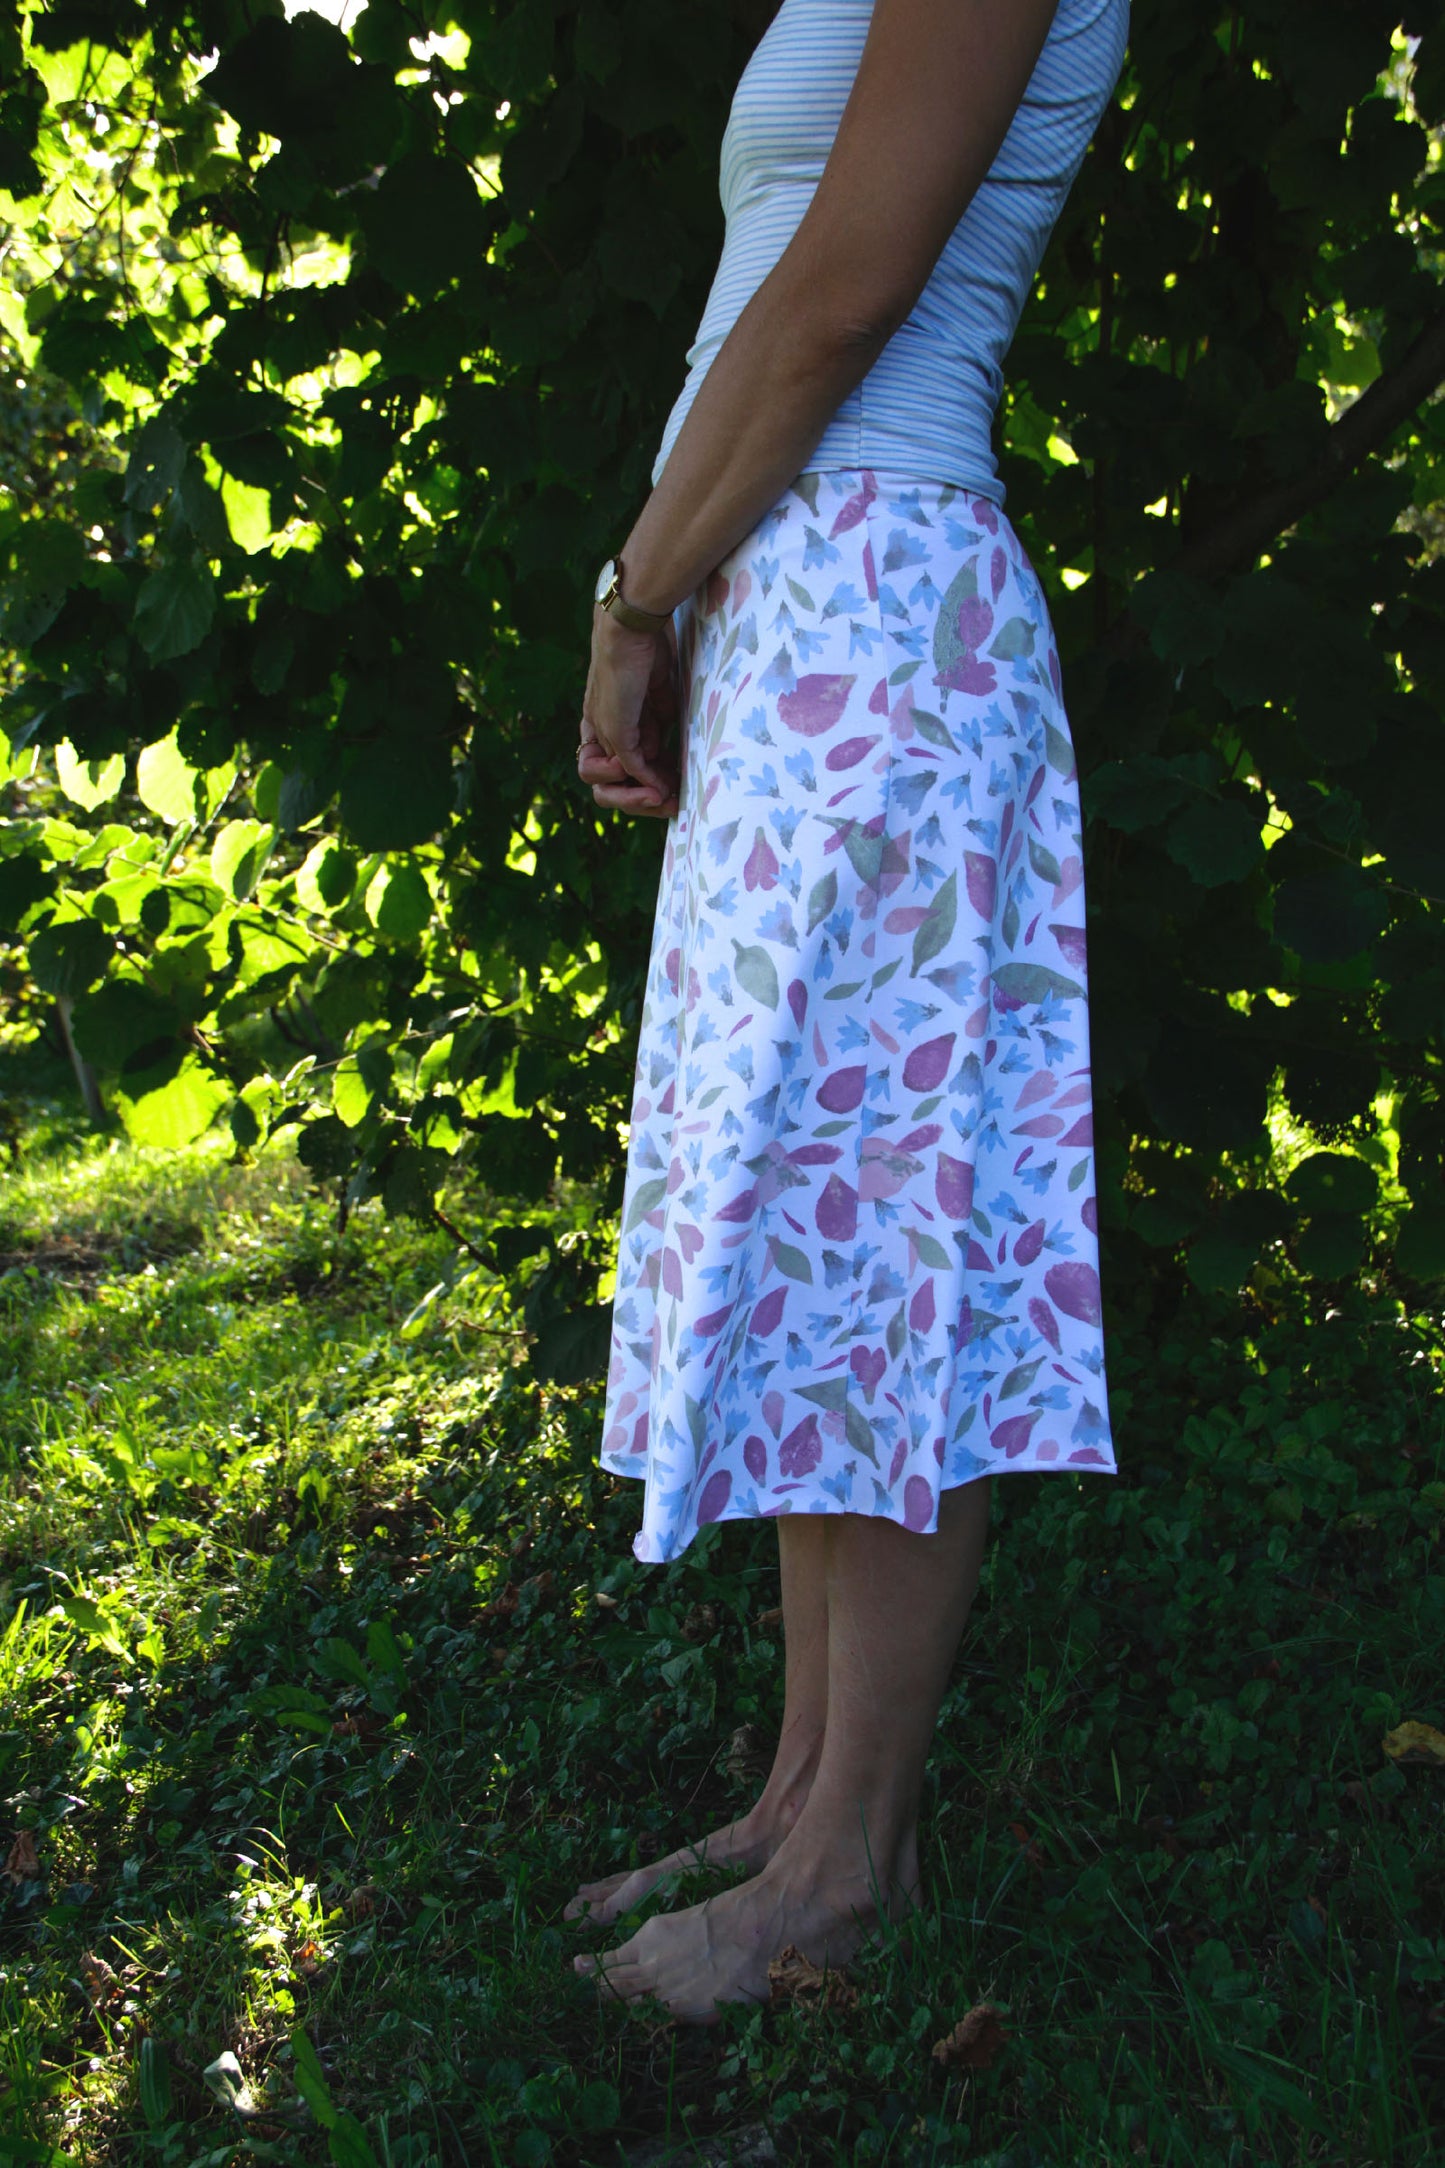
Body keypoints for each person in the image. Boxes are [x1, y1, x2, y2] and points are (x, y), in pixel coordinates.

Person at [571, 0, 1127, 2023]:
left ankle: (856, 1862)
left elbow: (836, 298)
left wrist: (640, 597)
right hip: (804, 611)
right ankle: (803, 1790)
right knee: (823, 1223)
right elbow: (774, 301)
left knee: (897, 1238)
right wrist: (685, 594)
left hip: (887, 623)